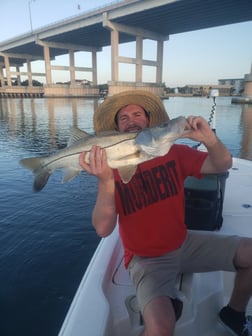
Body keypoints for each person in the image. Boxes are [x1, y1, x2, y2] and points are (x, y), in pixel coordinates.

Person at [79, 90, 252, 336]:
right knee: (161, 328)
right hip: (147, 260)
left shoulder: (174, 153)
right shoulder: (111, 168)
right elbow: (103, 229)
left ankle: (233, 314)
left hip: (184, 243)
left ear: (149, 122)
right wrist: (106, 181)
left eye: (137, 113)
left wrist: (209, 141)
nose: (131, 120)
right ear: (117, 128)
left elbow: (222, 164)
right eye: (123, 118)